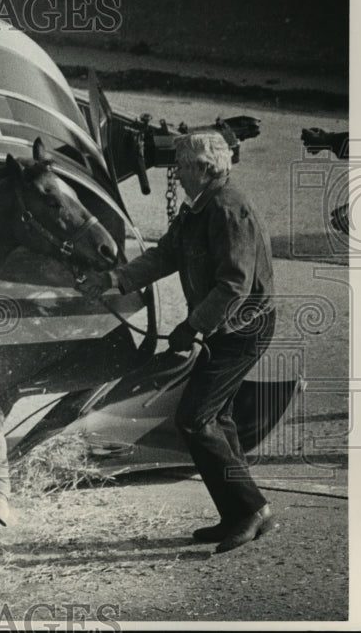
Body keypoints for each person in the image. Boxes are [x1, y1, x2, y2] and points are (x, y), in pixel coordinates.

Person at [78, 132, 277, 554]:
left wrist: (194, 326)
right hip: (226, 327)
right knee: (216, 417)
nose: (177, 174)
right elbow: (165, 255)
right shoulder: (200, 206)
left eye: (182, 167)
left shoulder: (226, 208)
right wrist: (114, 280)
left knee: (196, 418)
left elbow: (234, 284)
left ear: (203, 168)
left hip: (242, 329)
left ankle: (251, 510)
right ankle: (241, 511)